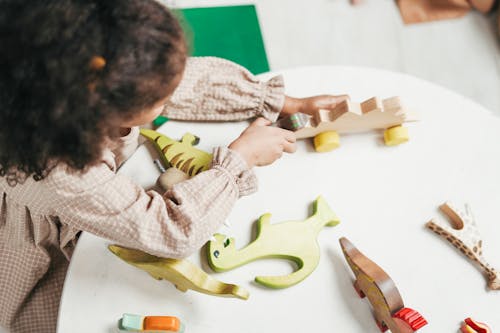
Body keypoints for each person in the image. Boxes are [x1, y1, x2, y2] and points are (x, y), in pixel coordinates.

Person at [0, 1, 347, 332]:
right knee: (81, 303)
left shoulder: (86, 68)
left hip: (85, 180)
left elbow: (184, 80)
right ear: (103, 105)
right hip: (48, 227)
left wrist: (285, 102)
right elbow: (168, 231)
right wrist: (239, 160)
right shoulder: (66, 169)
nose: (171, 94)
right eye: (161, 100)